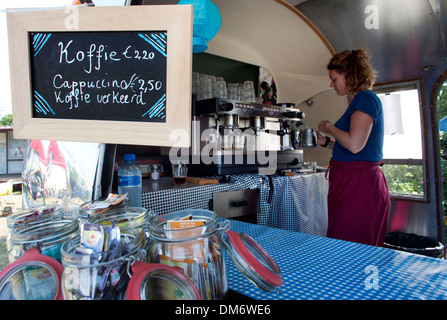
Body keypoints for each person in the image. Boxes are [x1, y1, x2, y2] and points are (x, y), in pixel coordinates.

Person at [317, 49, 390, 246]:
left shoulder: (366, 98)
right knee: (341, 241)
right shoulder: (357, 101)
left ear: (348, 75)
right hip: (349, 182)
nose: (331, 84)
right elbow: (352, 148)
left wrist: (329, 127)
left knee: (350, 246)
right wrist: (327, 143)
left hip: (359, 186)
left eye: (334, 79)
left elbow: (355, 145)